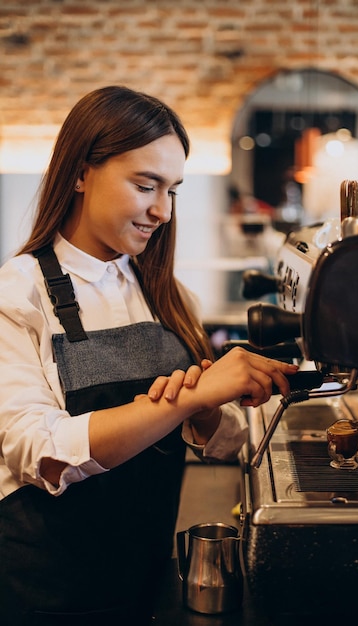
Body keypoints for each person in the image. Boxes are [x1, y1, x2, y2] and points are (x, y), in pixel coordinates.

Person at [0, 85, 298, 626]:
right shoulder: (17, 294)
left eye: (174, 190)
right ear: (79, 174)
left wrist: (204, 409)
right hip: (52, 597)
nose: (162, 210)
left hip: (149, 577)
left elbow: (225, 440)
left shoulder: (166, 293)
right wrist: (186, 400)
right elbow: (38, 453)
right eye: (145, 185)